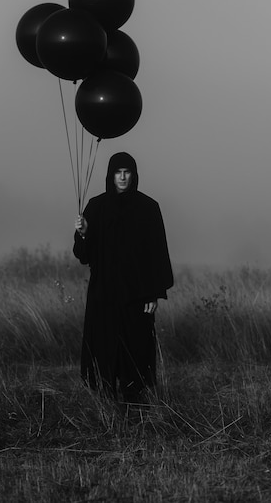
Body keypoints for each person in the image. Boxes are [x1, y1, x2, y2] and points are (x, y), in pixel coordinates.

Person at [73, 152, 174, 403]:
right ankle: (106, 409)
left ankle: (135, 408)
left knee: (135, 349)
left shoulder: (149, 208)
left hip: (136, 294)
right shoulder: (96, 207)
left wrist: (154, 292)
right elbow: (84, 256)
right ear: (110, 175)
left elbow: (158, 252)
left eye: (127, 172)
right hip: (103, 294)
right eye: (117, 172)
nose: (122, 177)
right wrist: (84, 234)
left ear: (134, 175)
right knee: (104, 349)